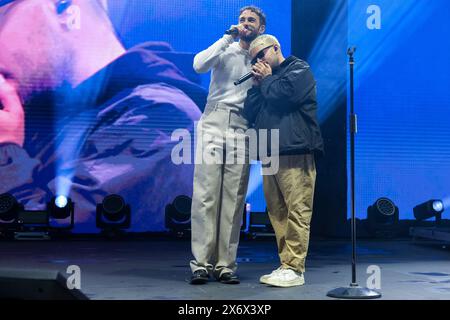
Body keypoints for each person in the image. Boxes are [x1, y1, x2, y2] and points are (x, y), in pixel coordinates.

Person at [0, 0, 206, 232]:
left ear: (65, 8)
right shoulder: (41, 126)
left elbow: (50, 246)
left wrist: (5, 151)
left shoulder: (160, 118)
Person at [189, 6, 266, 284]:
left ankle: (225, 265)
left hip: (243, 126)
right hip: (214, 118)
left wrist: (263, 80)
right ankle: (200, 263)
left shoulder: (262, 59)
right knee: (206, 194)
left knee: (233, 198)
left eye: (251, 21)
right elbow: (198, 64)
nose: (245, 24)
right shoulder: (226, 48)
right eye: (242, 19)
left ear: (261, 29)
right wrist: (226, 37)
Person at [243, 34, 324, 287]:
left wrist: (266, 80)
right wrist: (256, 87)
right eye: (254, 59)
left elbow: (283, 97)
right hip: (269, 152)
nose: (258, 61)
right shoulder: (266, 81)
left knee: (297, 210)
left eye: (261, 54)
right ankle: (285, 263)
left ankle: (295, 267)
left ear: (276, 48)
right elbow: (250, 112)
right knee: (277, 211)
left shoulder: (299, 69)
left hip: (295, 149)